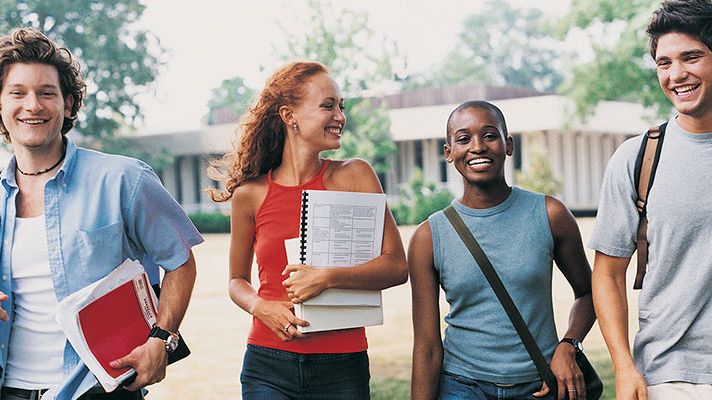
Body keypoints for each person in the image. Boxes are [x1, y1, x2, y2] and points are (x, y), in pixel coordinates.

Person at [0, 28, 203, 399]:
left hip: (98, 387)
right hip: (8, 386)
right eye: (17, 93)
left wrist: (161, 339)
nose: (32, 105)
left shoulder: (125, 178)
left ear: (69, 104)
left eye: (47, 93)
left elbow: (180, 262)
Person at [208, 60, 407, 399]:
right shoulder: (250, 195)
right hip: (267, 364)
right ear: (290, 116)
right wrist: (260, 306)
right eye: (328, 105)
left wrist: (327, 277)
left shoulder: (356, 176)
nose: (340, 116)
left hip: (342, 365)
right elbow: (236, 281)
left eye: (341, 106)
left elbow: (396, 266)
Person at [408, 100, 596, 400]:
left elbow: (589, 293)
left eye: (490, 135)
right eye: (463, 139)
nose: (478, 147)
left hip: (540, 383)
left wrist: (569, 345)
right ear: (448, 153)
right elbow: (427, 347)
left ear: (508, 145)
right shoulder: (429, 236)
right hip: (462, 386)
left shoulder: (549, 214)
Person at [589, 1, 712, 399]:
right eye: (664, 63)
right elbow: (607, 274)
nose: (677, 75)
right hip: (670, 377)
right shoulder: (638, 158)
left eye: (691, 57)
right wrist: (624, 368)